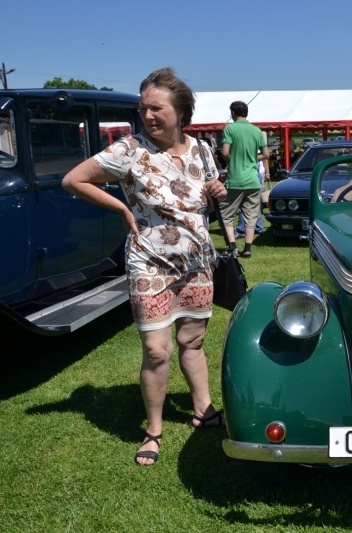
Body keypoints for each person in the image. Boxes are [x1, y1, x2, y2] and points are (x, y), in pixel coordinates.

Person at [62, 67, 228, 467]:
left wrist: (216, 191)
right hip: (149, 262)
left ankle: (203, 410)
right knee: (156, 350)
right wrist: (122, 208)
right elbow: (74, 180)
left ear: (181, 111)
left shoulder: (202, 149)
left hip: (196, 260)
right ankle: (153, 430)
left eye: (156, 108)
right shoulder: (129, 149)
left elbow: (203, 199)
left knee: (193, 340)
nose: (147, 115)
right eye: (143, 108)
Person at [220, 101, 270, 258]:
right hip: (253, 180)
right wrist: (251, 158)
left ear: (233, 113)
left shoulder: (230, 129)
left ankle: (232, 246)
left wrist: (232, 158)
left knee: (226, 214)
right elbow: (266, 155)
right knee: (251, 215)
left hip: (235, 179)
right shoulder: (256, 130)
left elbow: (225, 152)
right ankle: (247, 248)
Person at [235, 160, 266, 238]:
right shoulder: (256, 154)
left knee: (244, 204)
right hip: (255, 176)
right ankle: (259, 227)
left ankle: (241, 230)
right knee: (254, 204)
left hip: (248, 176)